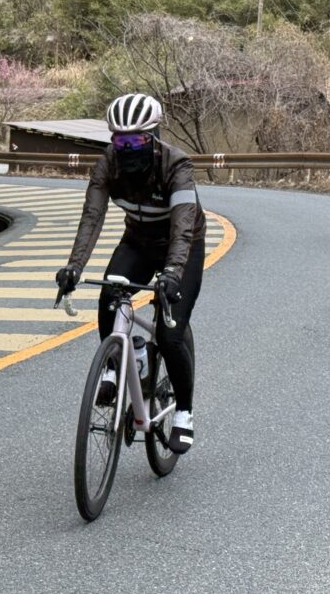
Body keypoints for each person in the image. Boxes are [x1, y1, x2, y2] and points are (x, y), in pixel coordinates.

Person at [55, 93, 205, 454]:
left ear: (152, 137)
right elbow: (92, 217)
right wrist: (74, 266)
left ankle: (184, 412)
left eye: (135, 141)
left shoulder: (176, 165)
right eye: (120, 141)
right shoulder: (108, 164)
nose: (127, 148)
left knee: (170, 334)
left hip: (180, 247)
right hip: (137, 241)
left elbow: (183, 228)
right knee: (110, 295)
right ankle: (117, 364)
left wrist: (172, 272)